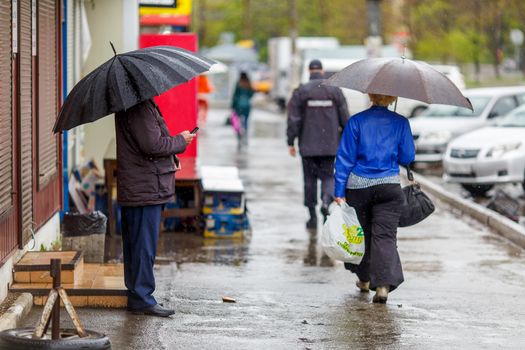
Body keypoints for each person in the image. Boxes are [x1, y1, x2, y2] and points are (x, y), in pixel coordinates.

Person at [115, 99, 195, 317]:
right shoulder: (139, 107)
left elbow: (151, 145)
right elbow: (152, 145)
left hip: (142, 186)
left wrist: (172, 156)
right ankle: (142, 298)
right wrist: (181, 141)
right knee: (142, 247)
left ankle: (137, 295)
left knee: (137, 245)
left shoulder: (135, 105)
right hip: (145, 188)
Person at [334, 93, 415, 304]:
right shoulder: (401, 122)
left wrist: (339, 192)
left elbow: (344, 159)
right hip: (389, 186)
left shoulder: (356, 121)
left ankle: (364, 279)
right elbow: (408, 157)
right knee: (385, 237)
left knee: (362, 235)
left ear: (370, 95)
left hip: (358, 187)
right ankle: (383, 287)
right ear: (392, 97)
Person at [287, 59, 349, 229]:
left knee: (309, 180)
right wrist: (346, 140)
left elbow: (293, 119)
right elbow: (345, 118)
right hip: (330, 146)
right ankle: (326, 202)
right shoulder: (334, 90)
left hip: (307, 146)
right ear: (322, 71)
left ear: (309, 71)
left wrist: (290, 141)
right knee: (329, 176)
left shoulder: (301, 91)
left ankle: (312, 215)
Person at [231, 72, 255, 144]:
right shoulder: (248, 84)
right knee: (246, 120)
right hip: (247, 105)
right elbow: (251, 94)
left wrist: (232, 106)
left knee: (238, 120)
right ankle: (245, 132)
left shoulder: (238, 84)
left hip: (238, 105)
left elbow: (235, 95)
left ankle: (239, 133)